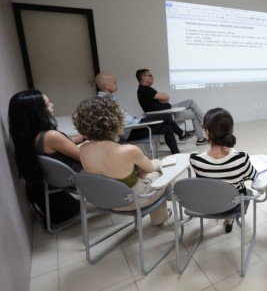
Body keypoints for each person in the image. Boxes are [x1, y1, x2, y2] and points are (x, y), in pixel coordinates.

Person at [73, 97, 168, 225]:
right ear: (113, 121)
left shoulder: (83, 149)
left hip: (105, 199)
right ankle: (159, 220)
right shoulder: (128, 150)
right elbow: (149, 169)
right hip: (134, 200)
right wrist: (138, 169)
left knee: (153, 165)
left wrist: (134, 169)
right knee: (162, 174)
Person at [8, 90, 83, 225]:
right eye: (48, 104)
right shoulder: (51, 136)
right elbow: (83, 158)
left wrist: (84, 137)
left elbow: (65, 143)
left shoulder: (28, 136)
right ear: (36, 112)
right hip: (75, 179)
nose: (52, 105)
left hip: (52, 183)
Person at [189, 108, 257, 233]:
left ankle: (226, 216)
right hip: (233, 205)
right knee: (243, 190)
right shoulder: (241, 158)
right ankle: (229, 219)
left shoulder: (195, 160)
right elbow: (254, 176)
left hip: (209, 203)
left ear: (207, 132)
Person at [96, 72, 195, 154]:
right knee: (166, 116)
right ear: (107, 86)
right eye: (114, 83)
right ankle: (181, 133)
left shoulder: (109, 99)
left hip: (134, 125)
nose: (117, 84)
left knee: (168, 128)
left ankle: (176, 154)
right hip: (129, 130)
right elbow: (117, 125)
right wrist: (135, 123)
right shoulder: (104, 102)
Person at [135, 68, 208, 145]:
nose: (153, 77)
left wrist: (163, 97)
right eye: (150, 75)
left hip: (170, 108)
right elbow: (165, 97)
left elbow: (165, 99)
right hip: (169, 113)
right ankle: (202, 135)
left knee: (190, 101)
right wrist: (163, 97)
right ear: (143, 77)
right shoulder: (145, 90)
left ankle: (205, 124)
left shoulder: (145, 89)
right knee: (194, 114)